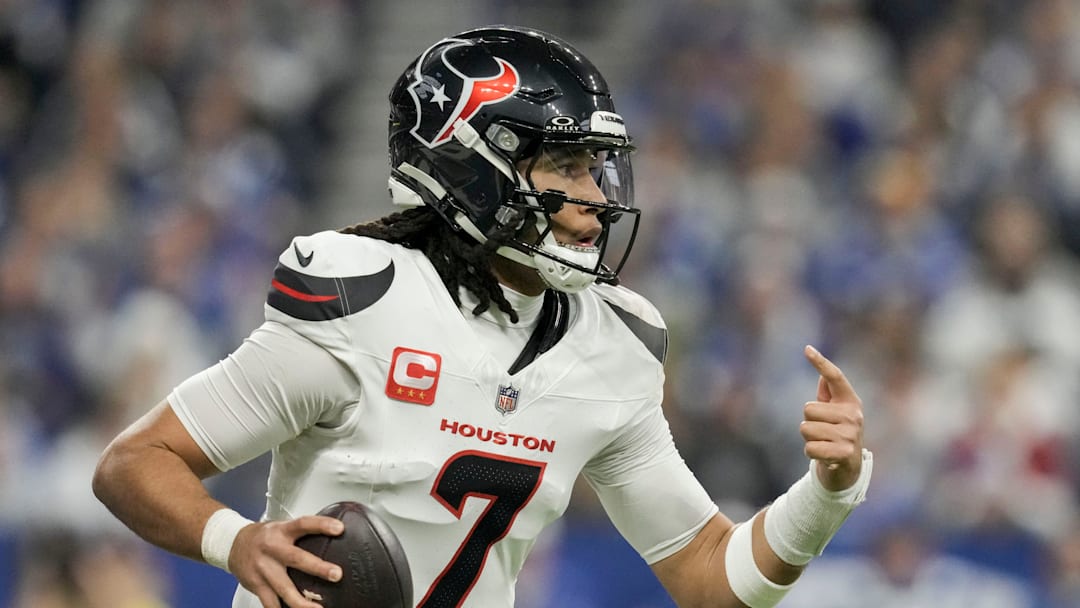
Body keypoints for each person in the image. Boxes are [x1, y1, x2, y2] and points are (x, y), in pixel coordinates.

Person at [92, 25, 872, 608]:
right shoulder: (364, 302)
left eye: (597, 167)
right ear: (473, 166)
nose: (597, 198)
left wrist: (828, 493)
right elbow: (133, 464)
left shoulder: (611, 346)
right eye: (566, 165)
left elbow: (711, 576)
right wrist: (239, 544)